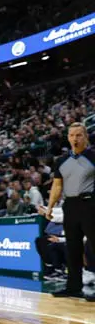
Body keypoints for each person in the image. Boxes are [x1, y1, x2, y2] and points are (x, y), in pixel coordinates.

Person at [47, 123, 95, 300]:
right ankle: (73, 287)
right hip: (70, 206)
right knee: (72, 248)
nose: (75, 139)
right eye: (72, 135)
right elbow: (57, 185)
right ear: (68, 137)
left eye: (79, 135)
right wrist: (51, 206)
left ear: (86, 137)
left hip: (90, 204)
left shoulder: (93, 156)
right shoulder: (61, 161)